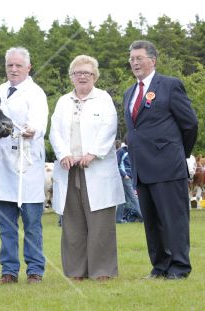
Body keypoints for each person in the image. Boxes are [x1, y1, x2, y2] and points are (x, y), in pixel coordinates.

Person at [123, 40, 198, 280]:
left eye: (139, 58)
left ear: (152, 60)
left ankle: (179, 267)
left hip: (168, 166)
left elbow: (190, 124)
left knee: (173, 220)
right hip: (141, 169)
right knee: (152, 223)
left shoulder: (169, 85)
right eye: (132, 58)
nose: (135, 62)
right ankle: (160, 267)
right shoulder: (129, 92)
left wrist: (178, 153)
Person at [49, 55, 125, 281]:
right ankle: (75, 271)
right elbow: (55, 131)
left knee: (100, 222)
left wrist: (93, 153)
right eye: (77, 73)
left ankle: (102, 271)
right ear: (71, 77)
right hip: (70, 168)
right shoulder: (63, 101)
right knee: (73, 224)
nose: (82, 76)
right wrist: (63, 154)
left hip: (96, 168)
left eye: (87, 73)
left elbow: (109, 128)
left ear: (95, 76)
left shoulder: (104, 98)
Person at [0, 47, 48, 284]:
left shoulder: (36, 93)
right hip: (2, 165)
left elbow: (40, 121)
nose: (14, 69)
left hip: (26, 163)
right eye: (10, 65)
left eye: (19, 65)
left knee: (31, 224)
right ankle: (8, 270)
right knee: (6, 225)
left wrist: (34, 130)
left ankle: (35, 271)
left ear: (28, 67)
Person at [115, 141, 143, 223]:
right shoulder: (121, 151)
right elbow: (116, 164)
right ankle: (143, 217)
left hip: (129, 177)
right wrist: (124, 175)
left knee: (122, 199)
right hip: (125, 178)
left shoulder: (130, 151)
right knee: (133, 198)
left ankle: (118, 219)